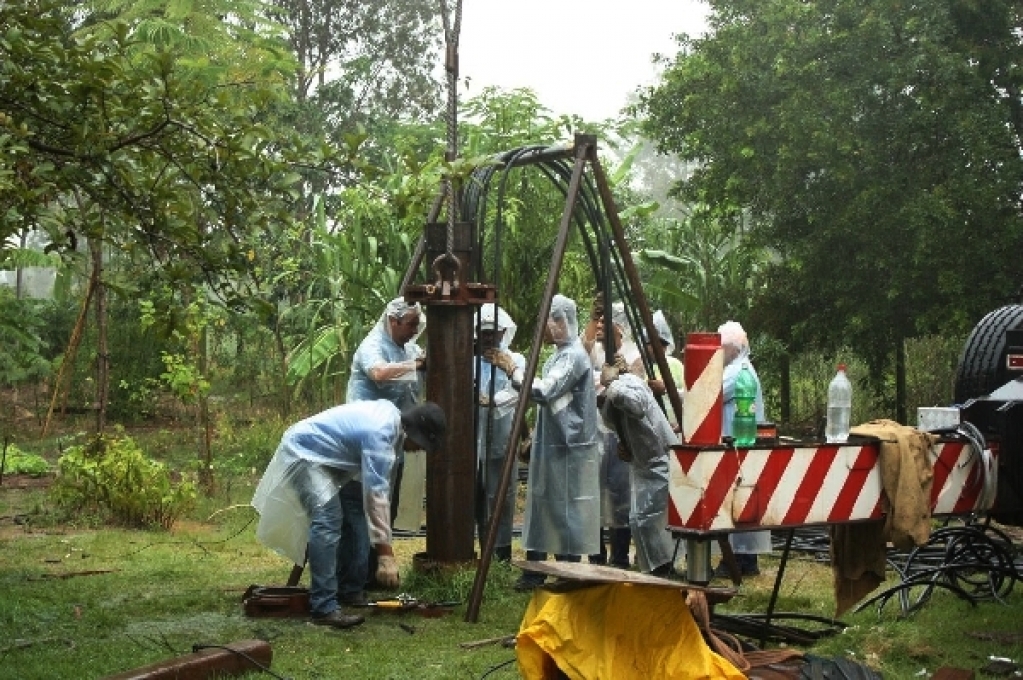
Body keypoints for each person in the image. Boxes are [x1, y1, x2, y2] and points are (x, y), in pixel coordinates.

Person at [251, 400, 447, 628]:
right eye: (422, 444)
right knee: (327, 519)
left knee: (353, 512)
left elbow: (371, 493)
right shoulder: (380, 436)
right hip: (303, 453)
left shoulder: (391, 420)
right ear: (413, 432)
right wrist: (386, 555)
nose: (420, 449)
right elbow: (376, 497)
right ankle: (323, 607)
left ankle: (349, 590)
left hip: (328, 459)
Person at [515, 294, 602, 591]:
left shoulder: (574, 357)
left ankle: (568, 570)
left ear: (565, 321)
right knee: (545, 506)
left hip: (571, 447)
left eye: (554, 320)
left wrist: (512, 370)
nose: (549, 326)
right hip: (552, 444)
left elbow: (544, 392)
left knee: (569, 510)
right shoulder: (558, 356)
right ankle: (535, 570)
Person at [343, 297, 425, 600]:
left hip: (393, 443)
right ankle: (355, 582)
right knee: (363, 511)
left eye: (418, 325)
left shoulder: (407, 347)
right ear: (393, 321)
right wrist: (415, 365)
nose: (414, 331)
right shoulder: (372, 345)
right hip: (365, 442)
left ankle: (372, 574)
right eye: (410, 325)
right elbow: (378, 373)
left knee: (384, 509)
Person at [599, 368, 678, 575]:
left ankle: (663, 567)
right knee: (641, 520)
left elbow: (636, 406)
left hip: (660, 458)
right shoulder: (614, 394)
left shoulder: (630, 383)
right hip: (641, 462)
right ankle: (658, 567)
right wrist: (622, 445)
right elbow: (617, 425)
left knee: (650, 519)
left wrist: (611, 384)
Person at [582, 298, 634, 569]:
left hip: (619, 434)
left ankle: (620, 556)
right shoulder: (594, 353)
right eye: (598, 319)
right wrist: (594, 315)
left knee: (619, 495)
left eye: (605, 320)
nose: (599, 324)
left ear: (619, 327)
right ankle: (595, 555)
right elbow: (583, 345)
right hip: (595, 433)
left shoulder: (632, 355)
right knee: (594, 492)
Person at [716, 320, 770, 577]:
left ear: (735, 348)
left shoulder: (737, 373)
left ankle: (741, 560)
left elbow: (709, 394)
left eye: (722, 347)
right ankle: (743, 558)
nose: (719, 353)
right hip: (738, 442)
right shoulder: (739, 369)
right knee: (740, 499)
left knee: (738, 500)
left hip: (739, 443)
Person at [474, 303, 526, 563]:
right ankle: (483, 550)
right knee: (477, 494)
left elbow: (519, 391)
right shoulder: (470, 360)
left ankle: (501, 553)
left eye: (492, 333)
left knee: (501, 494)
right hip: (474, 439)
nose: (487, 338)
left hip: (502, 436)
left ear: (502, 332)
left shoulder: (514, 360)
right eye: (483, 333)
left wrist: (492, 401)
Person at [643, 310, 686, 431]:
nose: (659, 348)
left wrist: (666, 389)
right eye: (653, 344)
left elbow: (687, 395)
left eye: (663, 344)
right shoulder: (640, 365)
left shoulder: (675, 365)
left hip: (674, 428)